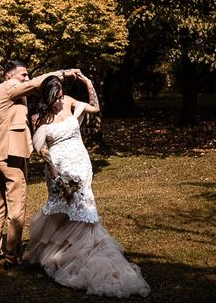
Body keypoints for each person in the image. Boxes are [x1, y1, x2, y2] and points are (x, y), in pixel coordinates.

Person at [23, 73, 150, 298]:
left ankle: (81, 250)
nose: (60, 101)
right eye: (56, 97)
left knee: (82, 209)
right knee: (62, 207)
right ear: (48, 96)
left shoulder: (70, 101)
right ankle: (58, 251)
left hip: (81, 165)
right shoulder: (40, 117)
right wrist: (53, 169)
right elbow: (40, 147)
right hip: (58, 168)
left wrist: (87, 82)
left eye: (61, 95)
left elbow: (94, 108)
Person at [0, 61, 77, 267]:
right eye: (22, 75)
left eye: (26, 75)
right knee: (17, 206)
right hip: (11, 155)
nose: (26, 79)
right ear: (9, 76)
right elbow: (37, 83)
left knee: (0, 205)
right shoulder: (8, 87)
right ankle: (11, 255)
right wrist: (62, 72)